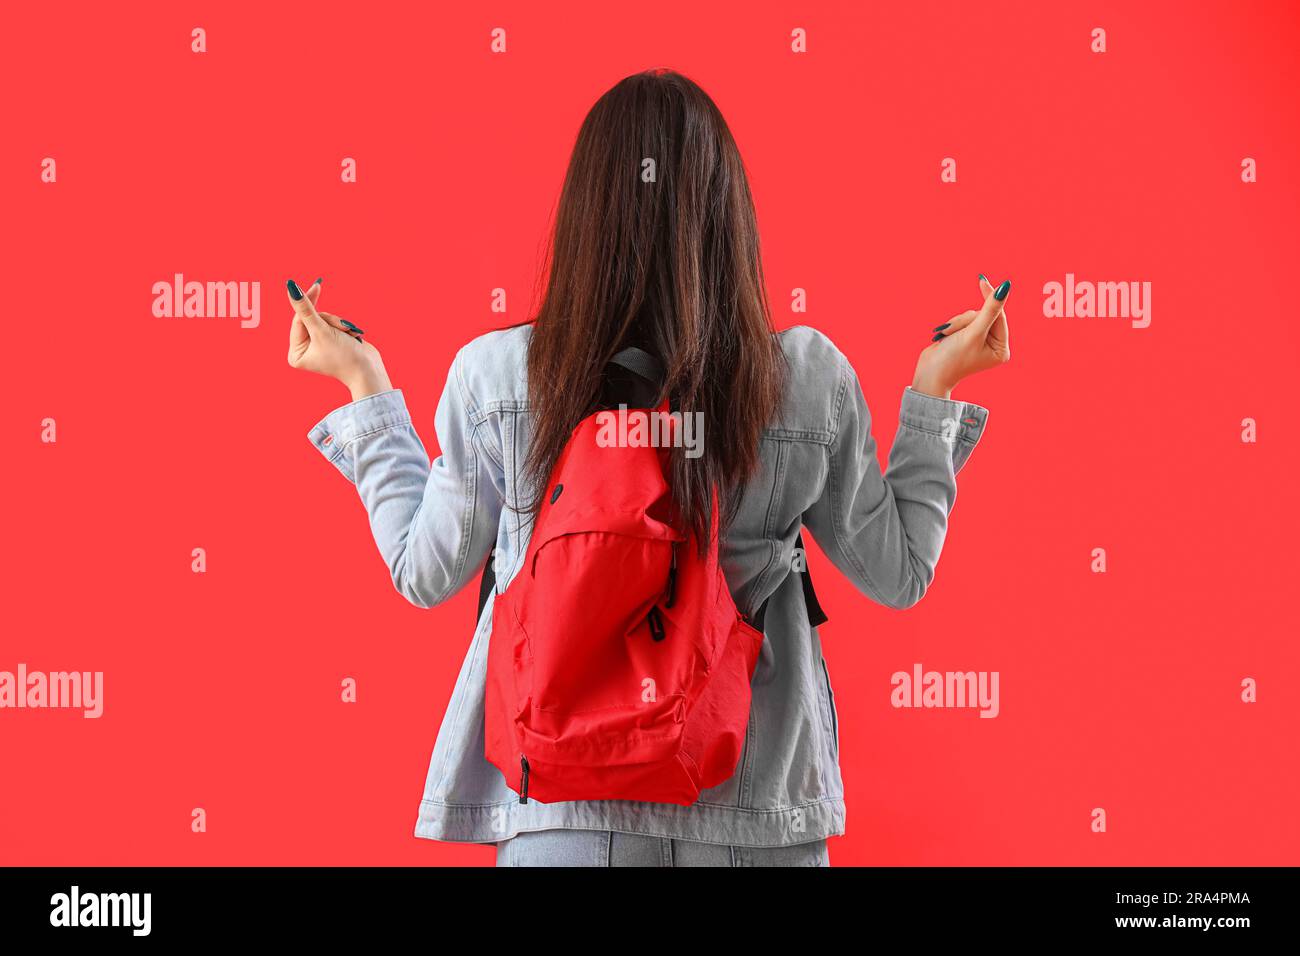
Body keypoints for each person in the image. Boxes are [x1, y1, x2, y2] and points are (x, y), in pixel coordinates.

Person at [285, 68, 1010, 867]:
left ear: (585, 214)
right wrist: (936, 390)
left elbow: (424, 573)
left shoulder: (499, 377)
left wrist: (366, 389)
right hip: (757, 813)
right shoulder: (805, 381)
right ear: (727, 214)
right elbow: (898, 573)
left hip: (561, 811)